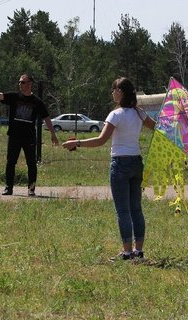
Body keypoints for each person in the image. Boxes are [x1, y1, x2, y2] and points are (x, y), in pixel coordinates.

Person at [62, 77, 155, 260]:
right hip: (137, 163)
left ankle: (127, 253)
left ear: (121, 92)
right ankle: (139, 252)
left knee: (123, 211)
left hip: (120, 164)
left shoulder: (115, 115)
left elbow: (101, 140)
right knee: (136, 209)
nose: (112, 92)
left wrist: (77, 143)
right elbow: (158, 129)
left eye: (114, 89)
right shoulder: (139, 113)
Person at [0, 74, 59, 196]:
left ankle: (31, 189)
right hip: (14, 136)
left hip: (29, 137)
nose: (20, 84)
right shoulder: (14, 97)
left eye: (23, 82)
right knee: (11, 162)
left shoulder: (37, 102)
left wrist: (53, 134)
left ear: (30, 84)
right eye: (19, 82)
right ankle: (8, 188)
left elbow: (46, 118)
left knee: (31, 163)